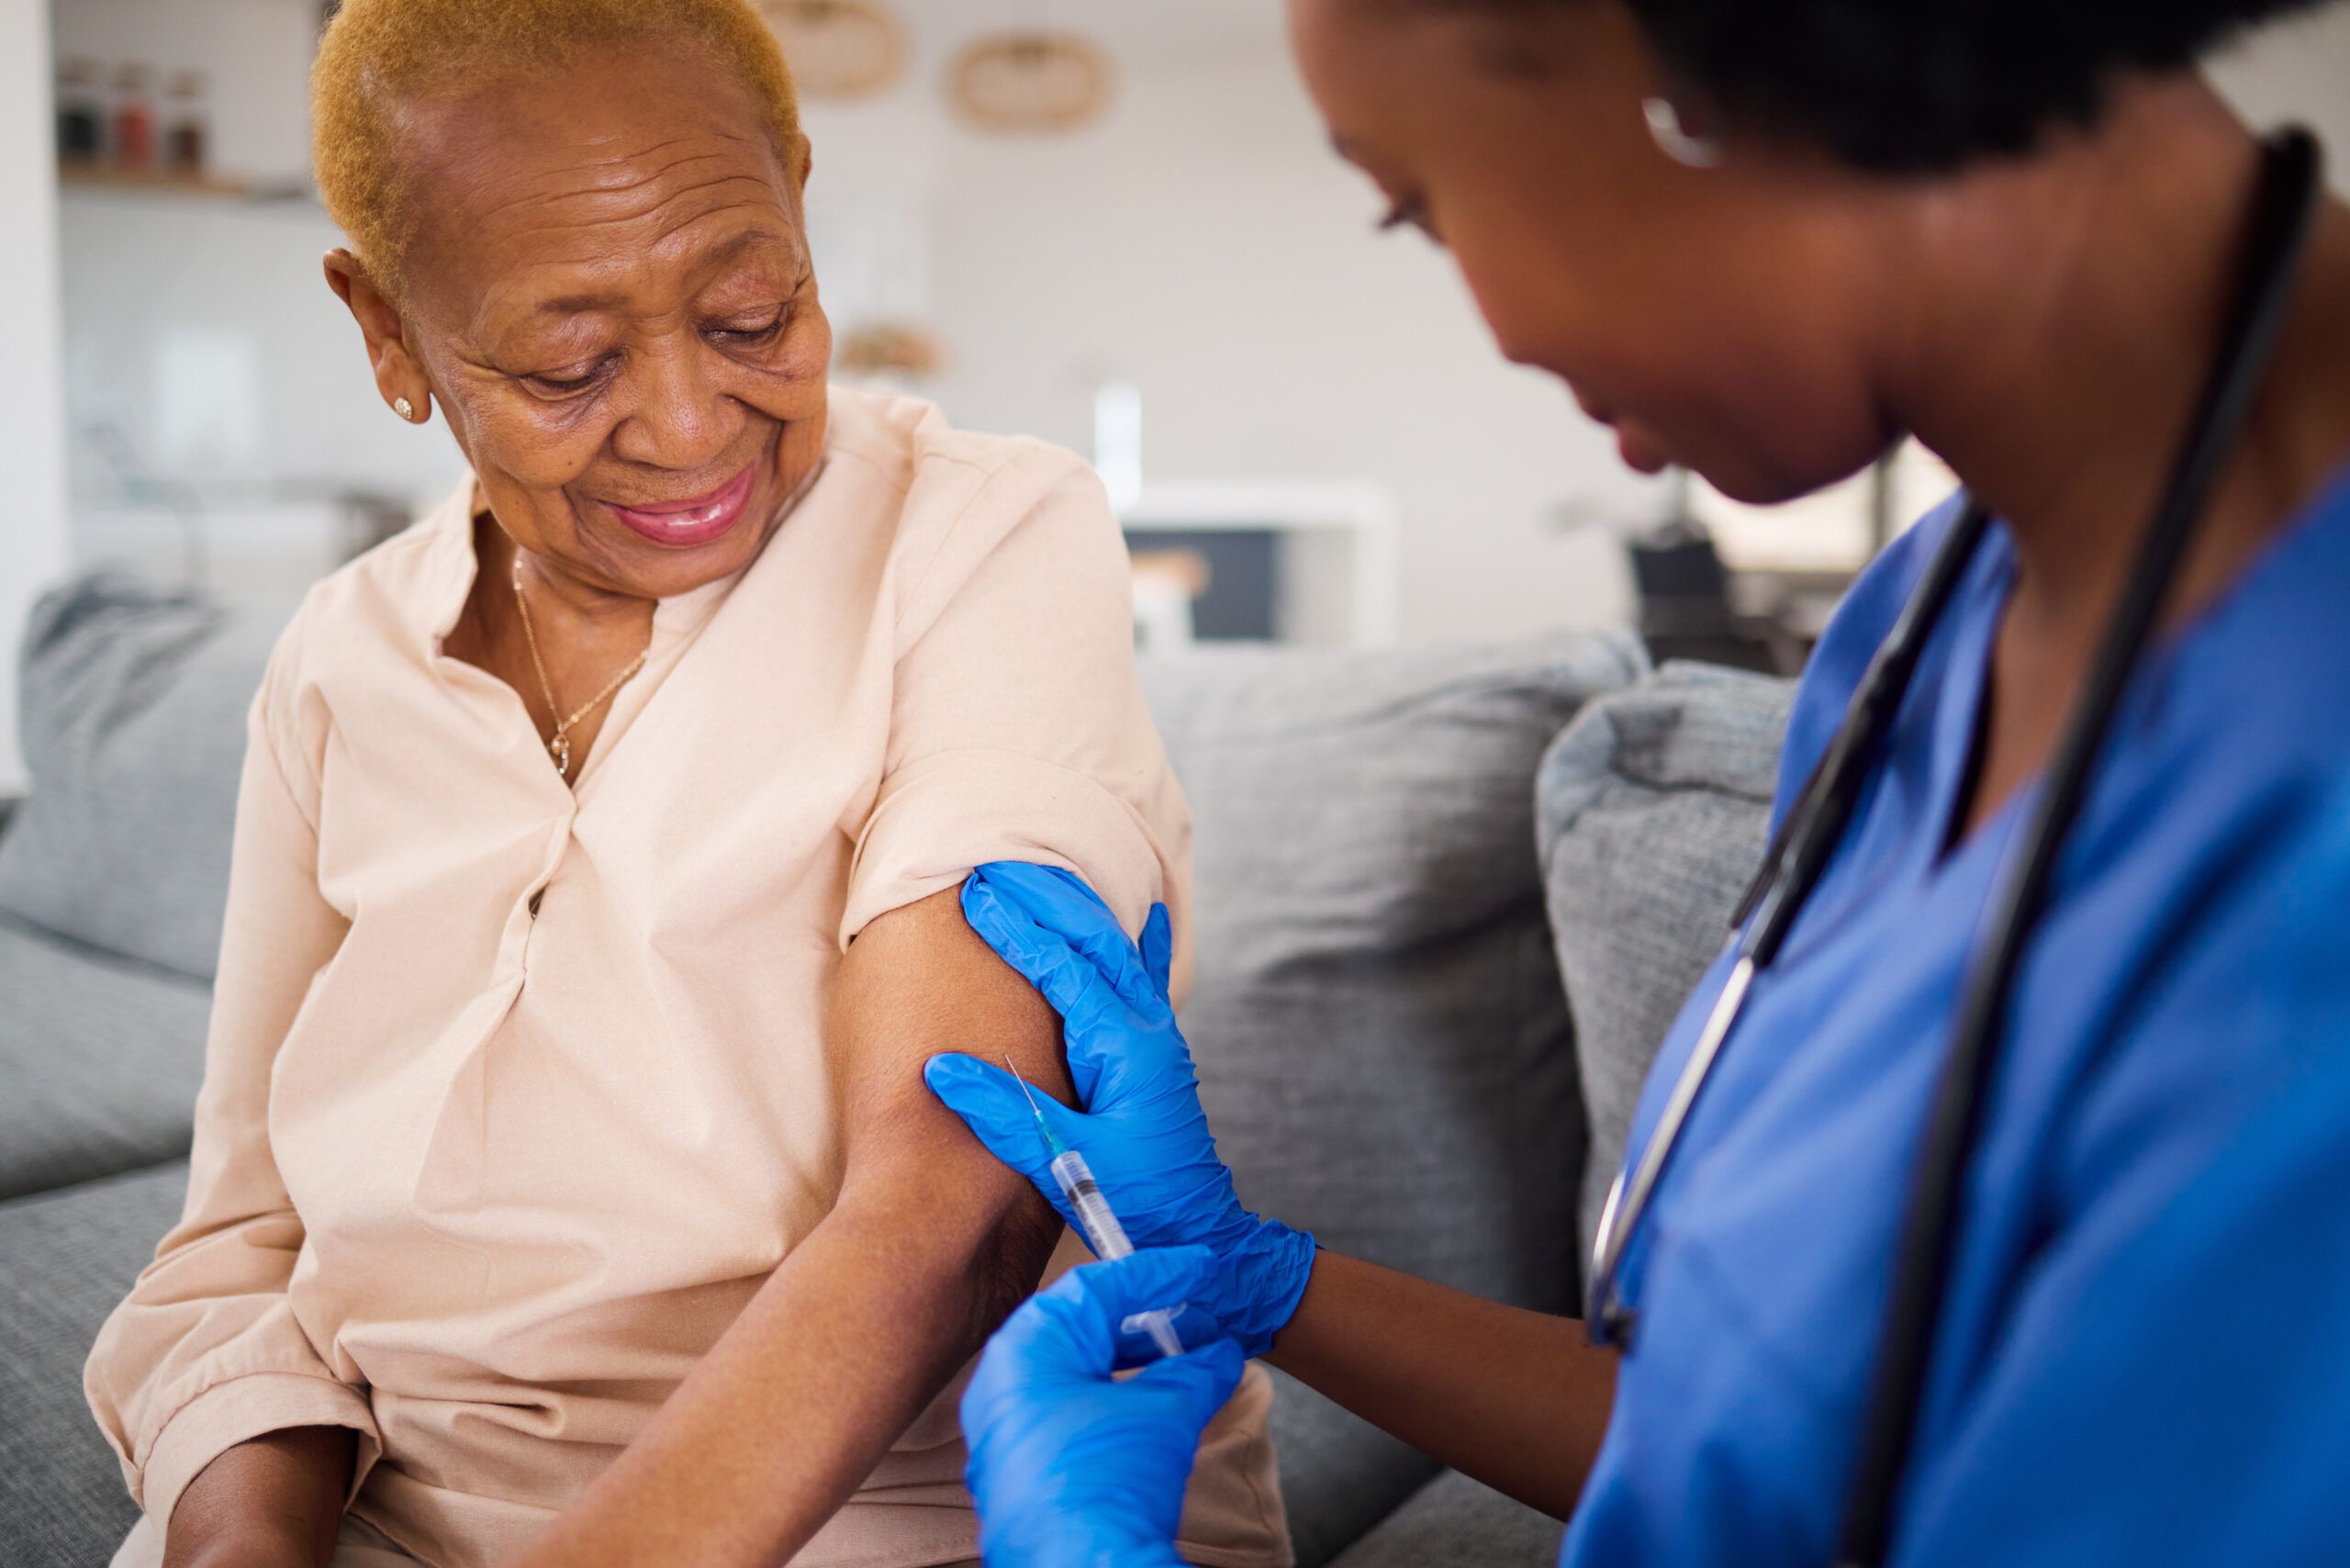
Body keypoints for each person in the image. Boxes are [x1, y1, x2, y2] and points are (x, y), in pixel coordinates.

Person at [925, 1, 2350, 1564]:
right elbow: (1781, 1454)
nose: (1498, 329)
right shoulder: (1929, 624)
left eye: (1416, 206)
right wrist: (1254, 1274)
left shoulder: (2297, 846)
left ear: (1688, 69)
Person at [81, 4, 1291, 1567]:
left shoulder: (981, 537)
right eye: (569, 363)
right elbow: (245, 1247)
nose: (688, 423)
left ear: (795, 194)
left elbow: (952, 1206)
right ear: (384, 331)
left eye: (749, 312)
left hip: (909, 1520)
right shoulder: (340, 660)